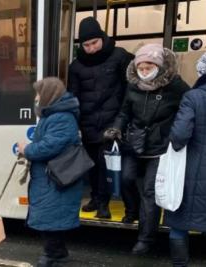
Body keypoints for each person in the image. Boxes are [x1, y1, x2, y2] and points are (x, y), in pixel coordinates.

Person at [104, 43, 190, 254]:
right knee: (126, 179)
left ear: (159, 66)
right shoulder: (133, 85)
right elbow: (124, 112)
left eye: (148, 67)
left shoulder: (176, 86)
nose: (144, 72)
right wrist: (116, 128)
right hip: (135, 143)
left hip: (160, 147)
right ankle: (133, 211)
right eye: (140, 67)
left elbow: (188, 109)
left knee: (149, 192)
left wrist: (173, 135)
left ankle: (146, 239)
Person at [165, 48, 206, 267]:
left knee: (179, 224)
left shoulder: (193, 97)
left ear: (203, 72)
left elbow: (179, 136)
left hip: (193, 170)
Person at [68, 17, 134, 218]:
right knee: (92, 165)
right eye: (86, 45)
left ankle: (104, 204)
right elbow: (74, 96)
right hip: (88, 122)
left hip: (112, 122)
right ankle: (96, 198)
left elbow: (129, 90)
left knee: (106, 163)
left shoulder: (120, 57)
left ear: (102, 38)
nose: (91, 49)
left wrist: (122, 120)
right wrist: (76, 124)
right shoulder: (76, 66)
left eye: (94, 43)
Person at [17, 77, 83, 267]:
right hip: (50, 177)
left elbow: (50, 146)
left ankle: (54, 255)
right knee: (50, 217)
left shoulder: (60, 117)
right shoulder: (55, 115)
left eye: (39, 94)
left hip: (54, 179)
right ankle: (56, 253)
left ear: (48, 95)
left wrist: (26, 149)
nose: (36, 98)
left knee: (51, 219)